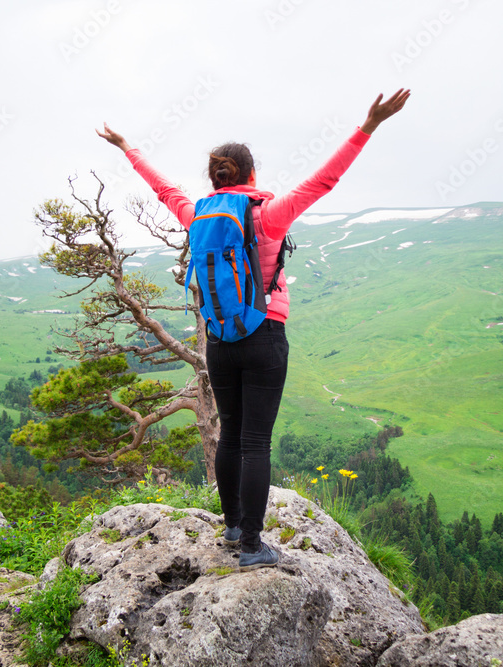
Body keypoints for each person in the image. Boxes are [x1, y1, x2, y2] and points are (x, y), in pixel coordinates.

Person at [97, 89, 411, 570]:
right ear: (252, 176)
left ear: (215, 179)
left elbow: (164, 190)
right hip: (264, 335)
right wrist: (367, 126)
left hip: (220, 340)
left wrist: (127, 148)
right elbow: (324, 180)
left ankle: (232, 528)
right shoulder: (268, 214)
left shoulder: (198, 215)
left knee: (229, 436)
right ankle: (251, 546)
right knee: (256, 442)